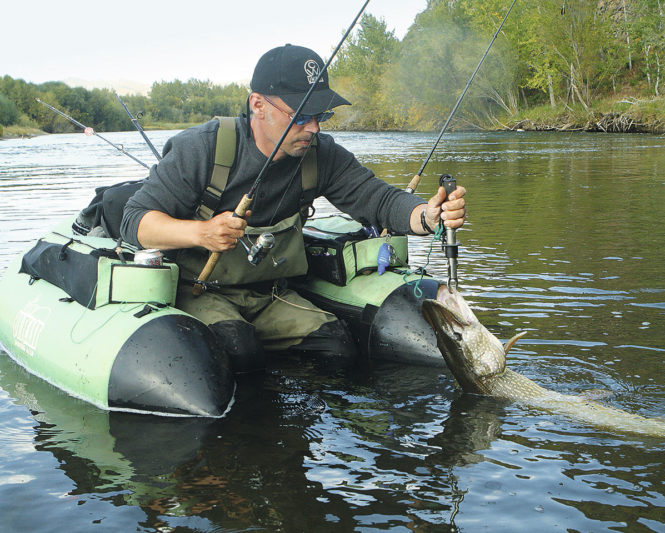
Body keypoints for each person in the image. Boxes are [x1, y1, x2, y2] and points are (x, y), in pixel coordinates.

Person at [120, 44, 466, 371]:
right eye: (301, 115)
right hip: (199, 292)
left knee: (337, 348)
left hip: (271, 296)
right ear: (258, 105)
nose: (313, 127)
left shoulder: (321, 155)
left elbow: (378, 199)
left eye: (321, 114)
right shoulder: (201, 148)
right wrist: (201, 233)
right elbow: (134, 221)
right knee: (240, 349)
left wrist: (427, 215)